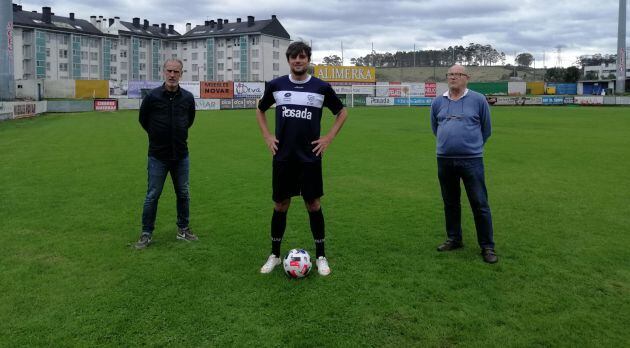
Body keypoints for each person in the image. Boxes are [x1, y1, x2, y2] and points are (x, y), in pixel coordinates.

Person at [256, 41, 348, 275]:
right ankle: (275, 255)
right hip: (283, 156)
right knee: (280, 204)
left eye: (302, 57)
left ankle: (321, 257)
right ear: (289, 60)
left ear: (308, 60)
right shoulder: (276, 85)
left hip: (310, 157)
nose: (298, 60)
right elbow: (260, 109)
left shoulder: (321, 87)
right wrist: (267, 136)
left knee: (313, 204)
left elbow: (341, 112)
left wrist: (328, 138)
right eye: (294, 57)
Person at [430, 64, 498, 263]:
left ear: (466, 77)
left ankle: (487, 246)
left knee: (479, 203)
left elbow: (486, 129)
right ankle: (454, 238)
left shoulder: (478, 100)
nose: (453, 77)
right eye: (450, 74)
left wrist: (471, 147)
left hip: (471, 160)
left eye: (457, 74)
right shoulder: (437, 102)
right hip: (444, 160)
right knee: (450, 203)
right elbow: (435, 127)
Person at [135, 59, 197, 249]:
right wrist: (158, 135)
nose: (172, 75)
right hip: (158, 156)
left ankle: (183, 229)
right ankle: (146, 233)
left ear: (181, 74)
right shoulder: (152, 97)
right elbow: (143, 120)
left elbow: (190, 120)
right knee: (152, 195)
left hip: (180, 155)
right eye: (169, 71)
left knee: (184, 194)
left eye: (176, 72)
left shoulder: (187, 98)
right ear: (163, 72)